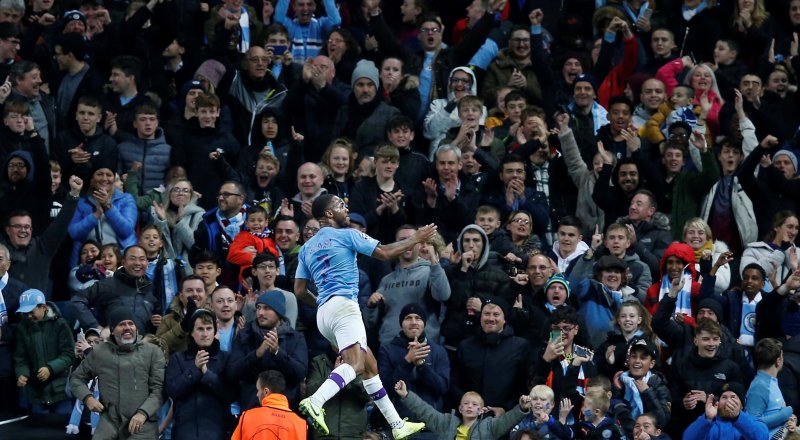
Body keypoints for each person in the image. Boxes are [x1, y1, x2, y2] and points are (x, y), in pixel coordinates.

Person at [294, 193, 436, 438]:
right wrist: (416, 238)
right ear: (328, 214)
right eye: (340, 204)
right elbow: (385, 253)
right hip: (345, 307)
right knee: (355, 363)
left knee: (369, 364)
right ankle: (316, 401)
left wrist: (321, 302)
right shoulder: (347, 235)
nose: (345, 207)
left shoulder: (306, 248)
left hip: (324, 314)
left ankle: (397, 424)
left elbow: (298, 290)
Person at [69, 309, 166, 440]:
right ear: (113, 330)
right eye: (122, 324)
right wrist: (88, 398)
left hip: (142, 423)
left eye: (131, 324)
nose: (127, 328)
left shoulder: (152, 352)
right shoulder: (99, 353)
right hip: (109, 422)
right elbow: (76, 379)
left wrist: (143, 413)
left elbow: (159, 389)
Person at [229, 291, 308, 409]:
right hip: (252, 409)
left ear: (279, 312)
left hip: (284, 410)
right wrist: (256, 354)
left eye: (267, 308)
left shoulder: (295, 338)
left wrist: (277, 352)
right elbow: (232, 372)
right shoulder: (245, 335)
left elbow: (300, 372)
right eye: (258, 308)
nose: (260, 313)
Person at [165, 309, 235, 440]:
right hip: (184, 431)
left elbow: (230, 394)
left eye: (209, 328)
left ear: (215, 331)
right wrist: (195, 369)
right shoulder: (178, 359)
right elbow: (172, 391)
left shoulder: (225, 358)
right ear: (191, 332)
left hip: (217, 431)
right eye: (200, 329)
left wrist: (207, 374)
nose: (205, 334)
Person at [395, 380, 533, 439]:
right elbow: (425, 411)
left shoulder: (490, 426)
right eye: (466, 404)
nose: (469, 406)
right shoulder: (446, 422)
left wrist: (521, 408)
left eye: (474, 405)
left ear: (481, 411)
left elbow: (508, 420)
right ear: (460, 408)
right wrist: (407, 395)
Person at [71, 245, 159, 335]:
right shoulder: (108, 285)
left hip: (143, 346)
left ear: (147, 263)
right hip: (113, 346)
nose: (137, 263)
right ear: (123, 262)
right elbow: (77, 300)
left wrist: (158, 323)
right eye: (132, 258)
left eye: (142, 259)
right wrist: (96, 328)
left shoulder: (152, 289)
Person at [13, 288, 75, 414]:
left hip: (60, 391)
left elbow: (69, 354)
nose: (29, 316)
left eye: (31, 312)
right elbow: (20, 358)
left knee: (63, 430)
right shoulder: (22, 328)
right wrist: (22, 373)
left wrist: (50, 368)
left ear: (43, 307)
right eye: (25, 313)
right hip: (36, 393)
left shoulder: (60, 324)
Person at [231, 370, 308, 440]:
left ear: (266, 392)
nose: (257, 394)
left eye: (258, 390)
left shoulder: (247, 417)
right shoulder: (301, 424)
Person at [746, 338, 794, 437]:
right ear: (778, 361)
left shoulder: (771, 382)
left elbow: (774, 413)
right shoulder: (759, 386)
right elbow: (751, 423)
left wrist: (791, 420)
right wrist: (785, 414)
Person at [684, 384, 769, 440]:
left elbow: (762, 437)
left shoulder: (753, 421)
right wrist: (708, 419)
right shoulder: (707, 421)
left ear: (742, 405)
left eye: (733, 397)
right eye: (724, 397)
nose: (728, 401)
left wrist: (738, 417)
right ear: (718, 402)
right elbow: (687, 438)